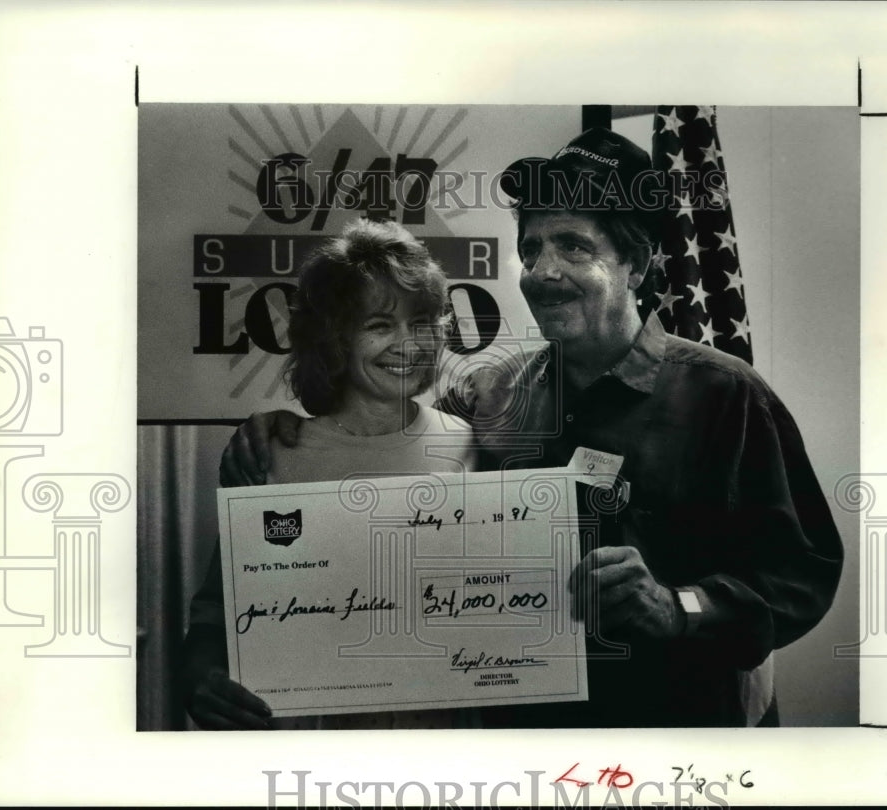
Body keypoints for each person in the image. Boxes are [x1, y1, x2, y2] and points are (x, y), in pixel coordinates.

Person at [220, 128, 844, 727]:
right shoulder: (487, 393)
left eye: (573, 246)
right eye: (530, 249)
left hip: (667, 734)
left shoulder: (726, 394)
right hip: (515, 734)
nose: (542, 271)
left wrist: (676, 604)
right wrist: (282, 434)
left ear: (635, 265)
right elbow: (394, 455)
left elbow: (801, 574)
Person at [182, 218, 476, 730]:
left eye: (422, 321)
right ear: (333, 337)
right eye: (380, 325)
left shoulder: (471, 444)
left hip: (437, 740)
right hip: (307, 744)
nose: (408, 344)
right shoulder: (271, 454)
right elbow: (215, 614)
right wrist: (199, 676)